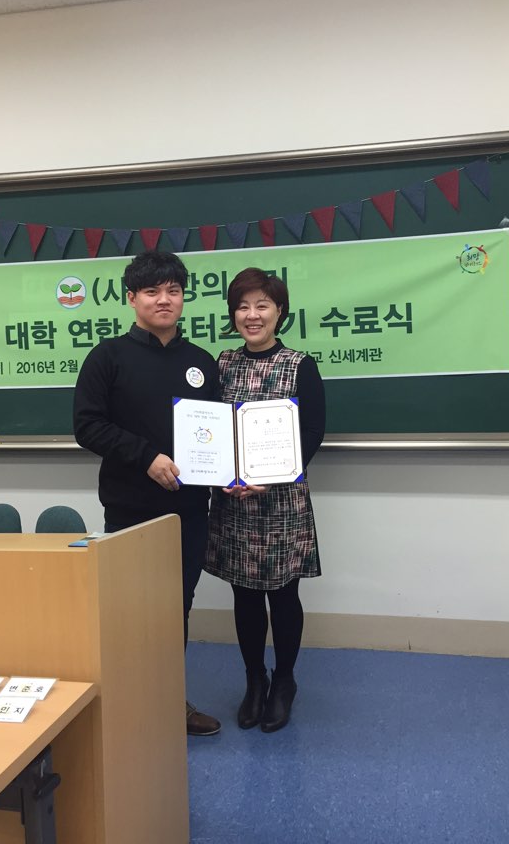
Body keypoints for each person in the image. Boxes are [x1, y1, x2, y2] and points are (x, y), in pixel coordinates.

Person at [73, 250, 221, 736]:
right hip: (130, 510)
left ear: (183, 298)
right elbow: (87, 426)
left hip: (188, 511)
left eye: (173, 291)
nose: (164, 300)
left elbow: (217, 435)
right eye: (152, 291)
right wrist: (146, 457)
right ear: (132, 298)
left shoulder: (201, 362)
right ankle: (127, 706)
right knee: (130, 611)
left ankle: (168, 703)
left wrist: (231, 473)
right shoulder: (107, 357)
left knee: (175, 608)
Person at [205, 267, 325, 733]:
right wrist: (219, 475)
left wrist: (270, 478)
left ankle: (285, 681)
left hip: (281, 501)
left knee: (284, 593)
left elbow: (312, 431)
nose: (251, 315)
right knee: (245, 594)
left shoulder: (299, 365)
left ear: (280, 312)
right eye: (242, 306)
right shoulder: (222, 364)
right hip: (234, 500)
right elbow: (210, 430)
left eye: (262, 305)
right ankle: (255, 679)